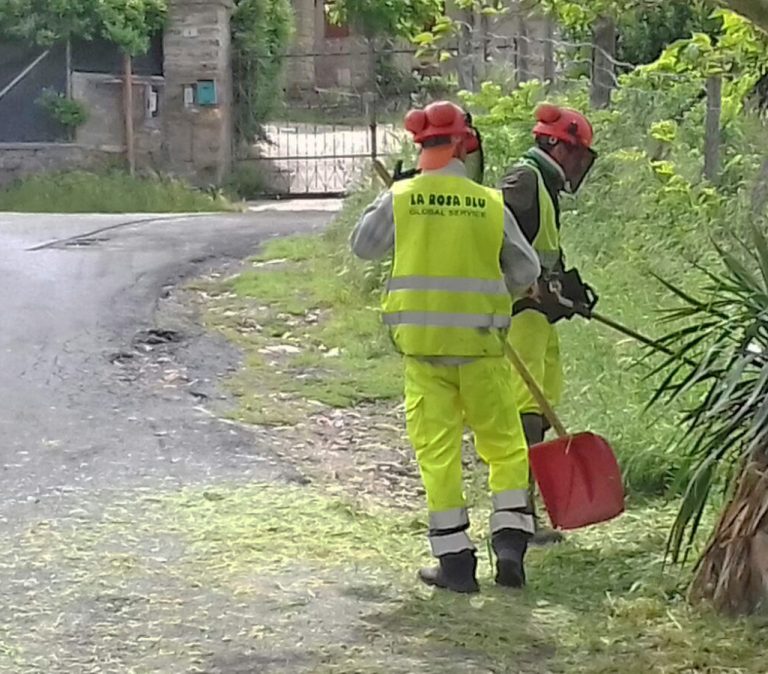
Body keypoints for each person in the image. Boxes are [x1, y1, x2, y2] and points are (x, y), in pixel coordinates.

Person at [349, 101, 541, 594]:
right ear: (461, 144)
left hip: (424, 353)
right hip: (482, 351)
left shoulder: (402, 197)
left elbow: (363, 247)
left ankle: (455, 563)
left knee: (438, 454)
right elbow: (526, 271)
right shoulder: (489, 202)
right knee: (503, 447)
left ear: (421, 147)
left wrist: (394, 197)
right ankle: (510, 544)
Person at [499, 104, 597, 546]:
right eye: (575, 153)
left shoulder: (545, 186)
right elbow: (495, 239)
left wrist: (563, 289)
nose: (578, 165)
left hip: (540, 318)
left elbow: (541, 253)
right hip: (520, 316)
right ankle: (519, 515)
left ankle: (528, 508)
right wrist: (530, 285)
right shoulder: (524, 180)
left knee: (542, 405)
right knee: (524, 411)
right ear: (552, 144)